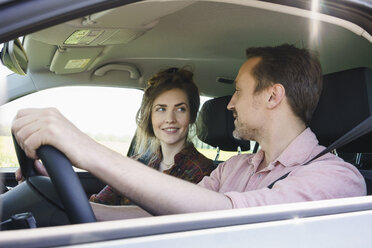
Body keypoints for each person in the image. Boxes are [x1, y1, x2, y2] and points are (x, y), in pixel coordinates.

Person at [12, 44, 366, 220]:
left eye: (239, 91)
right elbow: (162, 212)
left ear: (273, 96)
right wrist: (60, 193)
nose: (230, 105)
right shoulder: (235, 168)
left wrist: (83, 146)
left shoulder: (336, 180)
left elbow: (223, 213)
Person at [89, 67, 215, 205]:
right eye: (161, 109)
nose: (170, 119)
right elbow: (98, 205)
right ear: (150, 116)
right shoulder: (136, 163)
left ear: (191, 116)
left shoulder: (204, 171)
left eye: (180, 109)